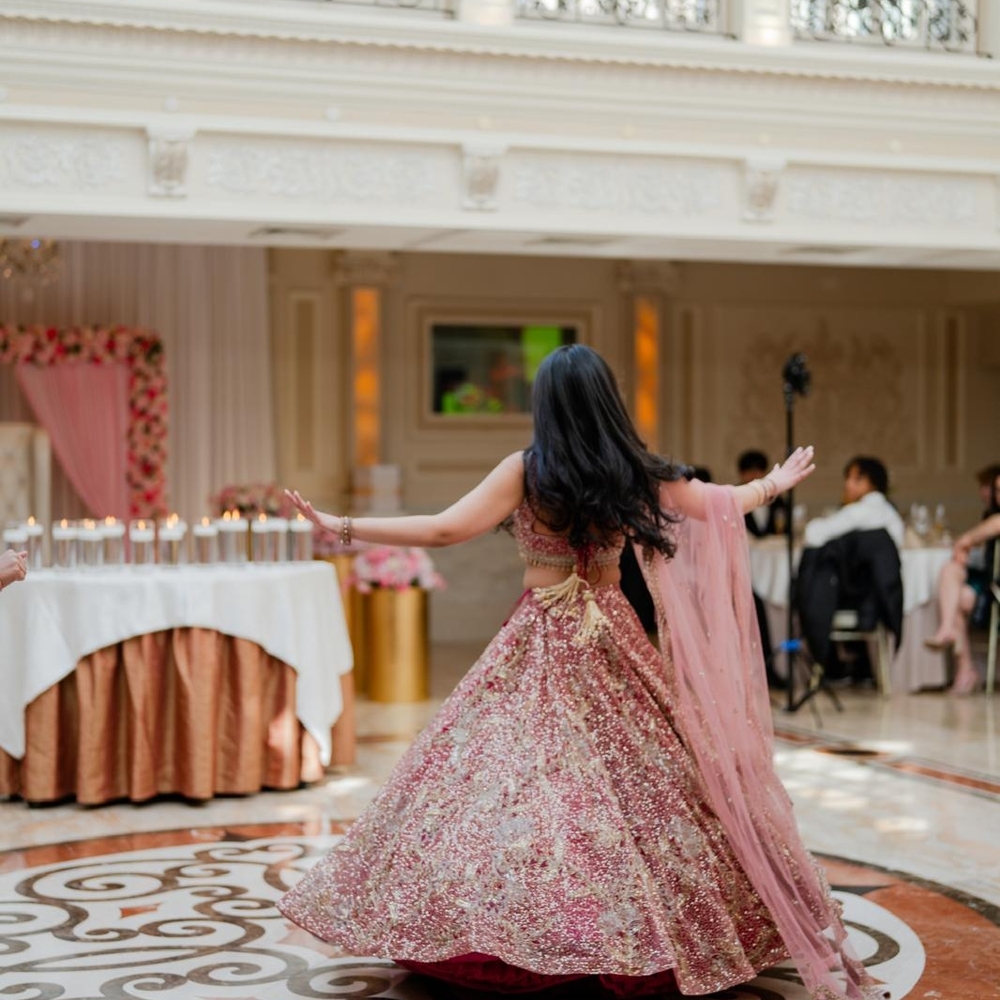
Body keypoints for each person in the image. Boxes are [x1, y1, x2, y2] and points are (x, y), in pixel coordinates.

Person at [280, 346, 882, 1000]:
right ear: (606, 400)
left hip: (540, 631)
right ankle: (638, 928)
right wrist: (774, 483)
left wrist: (342, 525)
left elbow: (445, 528)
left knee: (510, 778)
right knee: (645, 781)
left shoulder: (527, 470)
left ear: (546, 404)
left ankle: (529, 927)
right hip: (611, 632)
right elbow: (718, 503)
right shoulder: (630, 470)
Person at [926, 467, 1000, 695]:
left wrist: (966, 540)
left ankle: (965, 669)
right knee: (951, 572)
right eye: (997, 489)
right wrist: (963, 553)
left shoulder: (994, 520)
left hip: (995, 590)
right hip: (991, 587)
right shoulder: (989, 517)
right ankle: (950, 633)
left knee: (960, 593)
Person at [803, 455, 904, 550]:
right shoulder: (891, 514)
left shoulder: (858, 512)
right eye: (848, 478)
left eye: (857, 479)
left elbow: (813, 534)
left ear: (874, 483)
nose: (848, 484)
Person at [738, 449, 788, 537]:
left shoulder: (776, 499)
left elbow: (784, 527)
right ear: (742, 474)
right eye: (749, 471)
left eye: (758, 471)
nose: (754, 475)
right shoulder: (736, 498)